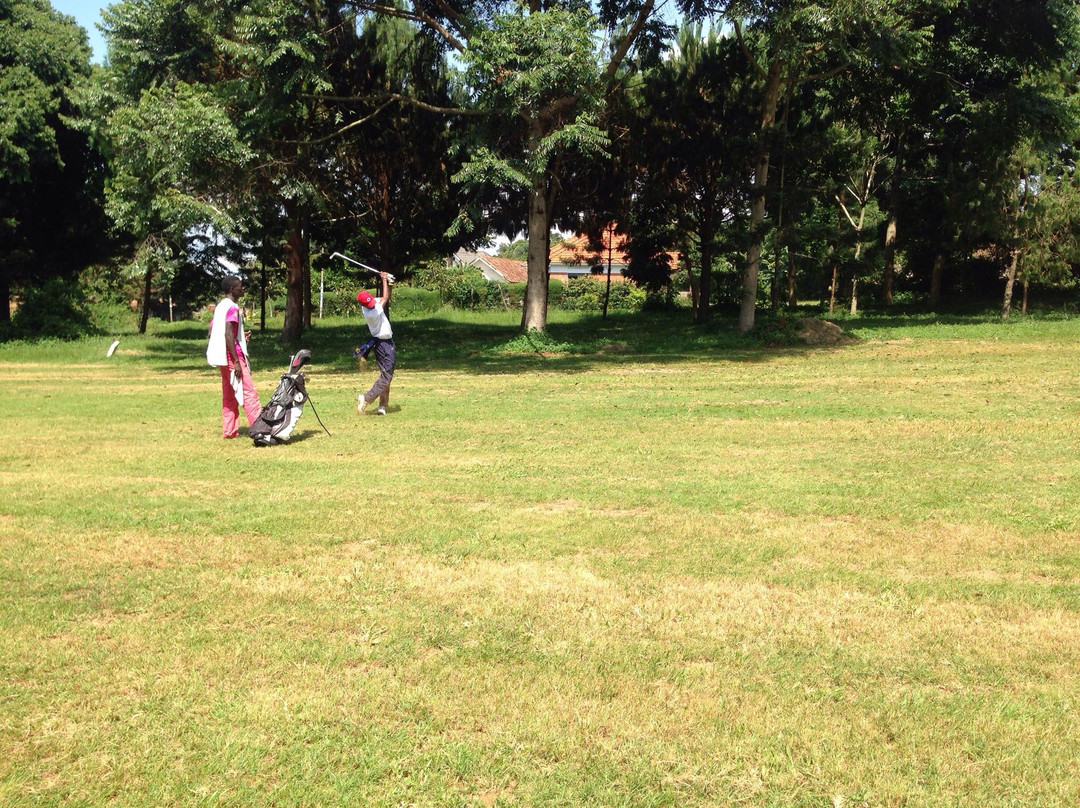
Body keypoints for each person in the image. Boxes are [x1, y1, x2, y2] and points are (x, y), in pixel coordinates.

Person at [206, 276, 261, 438]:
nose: (243, 289)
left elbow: (213, 332)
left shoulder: (220, 307)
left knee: (229, 394)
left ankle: (229, 431)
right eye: (240, 287)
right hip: (233, 357)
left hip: (222, 357)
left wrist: (240, 335)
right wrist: (236, 362)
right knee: (248, 392)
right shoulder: (232, 308)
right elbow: (228, 334)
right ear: (232, 290)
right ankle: (260, 428)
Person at [356, 271, 395, 416]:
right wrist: (383, 279)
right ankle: (366, 398)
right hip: (385, 345)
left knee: (386, 375)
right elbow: (384, 298)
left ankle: (382, 406)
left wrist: (389, 283)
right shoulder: (373, 312)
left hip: (380, 344)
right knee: (387, 376)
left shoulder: (367, 305)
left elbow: (386, 296)